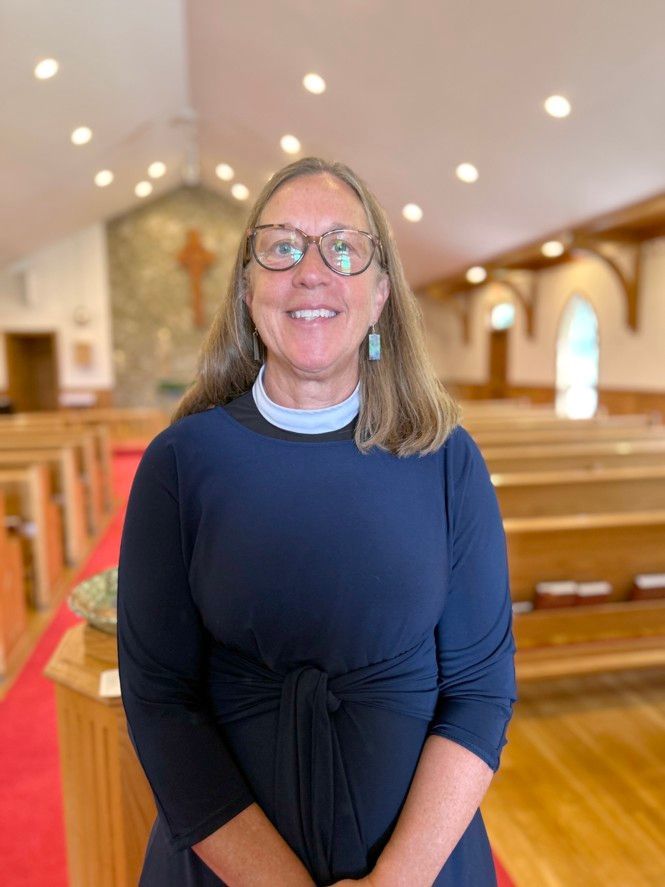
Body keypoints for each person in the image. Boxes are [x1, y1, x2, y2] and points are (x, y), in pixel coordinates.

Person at [117, 156, 517, 886]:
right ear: (247, 287)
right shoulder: (180, 462)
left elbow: (479, 692)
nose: (311, 272)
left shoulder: (446, 459)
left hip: (422, 863)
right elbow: (160, 701)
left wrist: (395, 879)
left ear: (380, 294)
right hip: (226, 863)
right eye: (281, 246)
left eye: (342, 247)